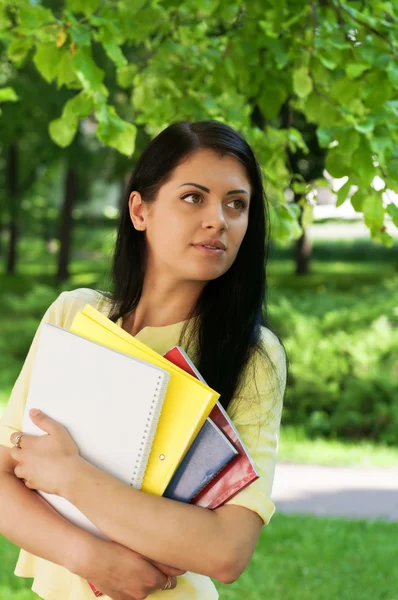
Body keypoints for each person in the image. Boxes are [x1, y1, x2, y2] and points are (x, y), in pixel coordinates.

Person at [0, 120, 287, 600]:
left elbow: (227, 550)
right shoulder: (75, 315)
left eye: (236, 204)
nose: (218, 219)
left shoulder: (254, 356)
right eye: (194, 197)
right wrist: (91, 558)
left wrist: (72, 477)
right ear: (140, 209)